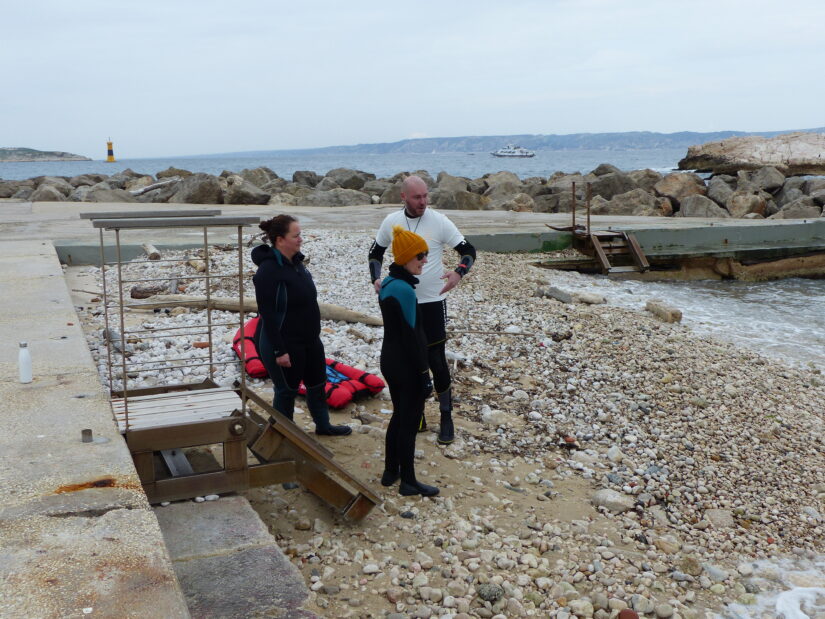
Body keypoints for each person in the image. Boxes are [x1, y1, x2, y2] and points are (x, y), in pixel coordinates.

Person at [369, 175, 476, 445]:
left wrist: (458, 273)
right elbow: (375, 253)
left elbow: (468, 250)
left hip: (431, 303)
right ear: (403, 197)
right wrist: (376, 278)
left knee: (436, 361)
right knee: (406, 359)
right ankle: (416, 415)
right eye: (417, 197)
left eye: (426, 196)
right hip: (402, 302)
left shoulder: (438, 221)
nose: (423, 202)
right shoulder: (391, 221)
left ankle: (446, 415)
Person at [252, 214, 351, 437]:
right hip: (283, 343)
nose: (301, 239)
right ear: (280, 240)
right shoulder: (268, 271)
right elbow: (267, 313)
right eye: (296, 236)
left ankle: (323, 426)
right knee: (286, 390)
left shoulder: (296, 264)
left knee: (317, 384)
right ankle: (281, 435)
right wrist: (279, 350)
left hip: (309, 340)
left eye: (301, 235)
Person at [378, 225, 438, 496]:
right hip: (406, 364)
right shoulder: (404, 290)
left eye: (425, 254)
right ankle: (409, 482)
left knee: (399, 415)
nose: (425, 260)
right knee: (410, 421)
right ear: (405, 258)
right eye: (421, 255)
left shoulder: (388, 283)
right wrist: (425, 373)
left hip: (389, 360)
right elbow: (413, 337)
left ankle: (391, 471)